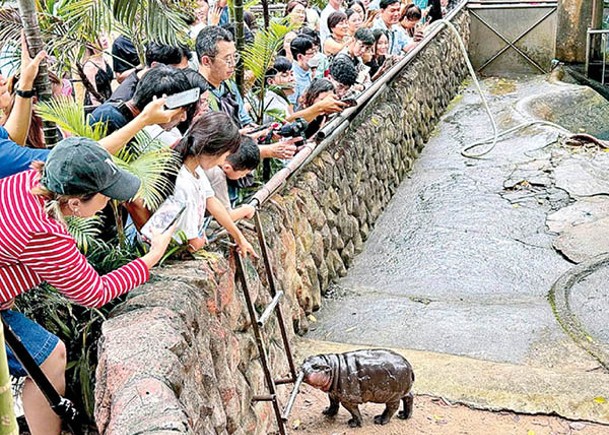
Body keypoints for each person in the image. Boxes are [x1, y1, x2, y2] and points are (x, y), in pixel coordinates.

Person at [0, 137, 176, 435]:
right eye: (105, 195)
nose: (111, 201)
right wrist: (152, 257)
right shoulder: (42, 229)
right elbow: (94, 293)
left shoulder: (30, 179)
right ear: (74, 203)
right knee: (48, 356)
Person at [170, 111, 258, 256]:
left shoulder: (194, 167)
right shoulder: (183, 183)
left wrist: (239, 237)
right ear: (216, 150)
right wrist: (200, 241)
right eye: (226, 155)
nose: (224, 161)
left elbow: (212, 201)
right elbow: (191, 243)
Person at [90, 64, 191, 135]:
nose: (183, 118)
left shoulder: (123, 116)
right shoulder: (110, 121)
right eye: (181, 111)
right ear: (160, 105)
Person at [196, 26, 254, 128]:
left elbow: (244, 119)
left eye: (235, 57)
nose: (233, 64)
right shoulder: (196, 93)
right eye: (227, 59)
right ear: (206, 61)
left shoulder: (229, 85)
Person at [107, 42, 192, 104]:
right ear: (156, 66)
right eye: (180, 72)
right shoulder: (127, 101)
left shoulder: (157, 86)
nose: (184, 77)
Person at [205, 135, 260, 220]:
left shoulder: (205, 156)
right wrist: (247, 209)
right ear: (227, 168)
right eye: (243, 174)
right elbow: (226, 216)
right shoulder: (217, 175)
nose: (244, 177)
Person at [82, 34, 113, 114]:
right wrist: (102, 113)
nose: (104, 39)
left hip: (108, 103)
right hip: (96, 107)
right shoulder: (90, 66)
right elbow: (92, 94)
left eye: (103, 35)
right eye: (99, 37)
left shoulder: (104, 60)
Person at [290, 36, 316, 110]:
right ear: (300, 57)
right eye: (311, 53)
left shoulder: (309, 70)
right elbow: (290, 109)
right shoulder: (293, 79)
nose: (315, 56)